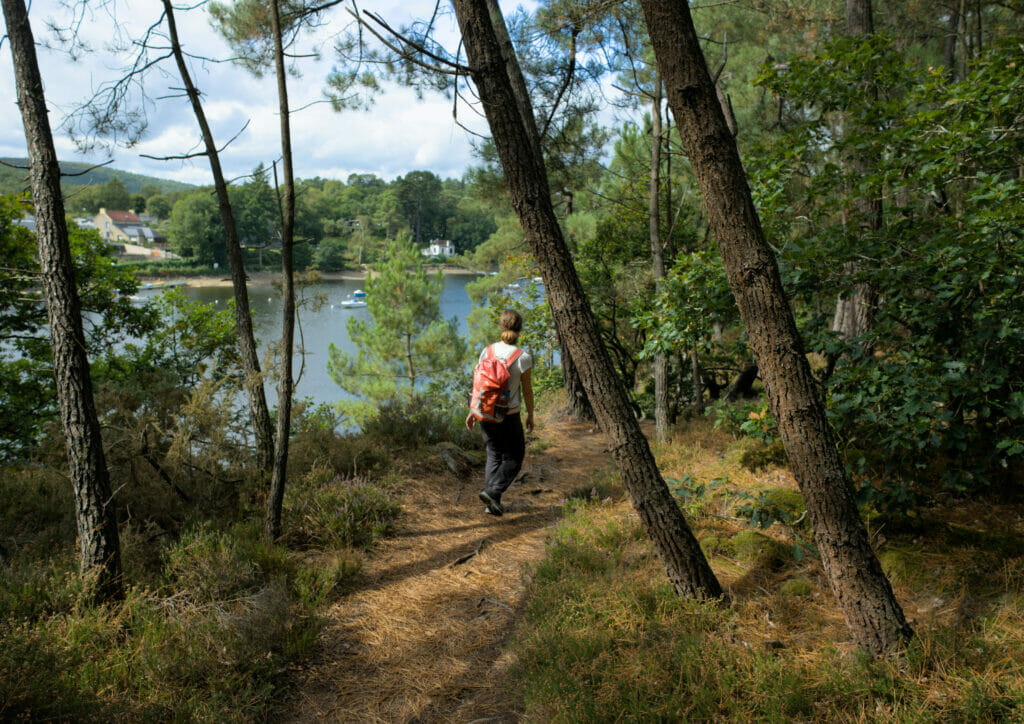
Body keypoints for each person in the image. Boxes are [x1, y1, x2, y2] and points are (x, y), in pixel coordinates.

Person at [465, 309, 534, 516]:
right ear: (519, 329)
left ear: (501, 327)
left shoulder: (487, 351)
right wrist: (531, 414)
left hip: (485, 412)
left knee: (493, 455)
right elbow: (527, 390)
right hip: (509, 415)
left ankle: (491, 503)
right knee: (515, 456)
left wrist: (472, 411)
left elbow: (478, 385)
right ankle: (493, 492)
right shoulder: (522, 357)